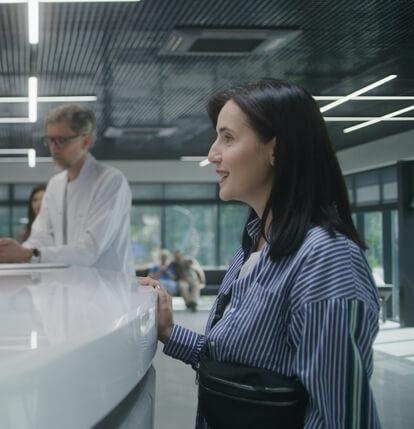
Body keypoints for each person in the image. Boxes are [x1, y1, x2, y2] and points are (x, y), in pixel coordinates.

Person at [141, 79, 380, 427]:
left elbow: (343, 418)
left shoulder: (325, 259)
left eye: (227, 137)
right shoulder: (254, 245)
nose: (212, 154)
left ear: (275, 150)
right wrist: (169, 332)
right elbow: (245, 373)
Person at [0, 104, 134, 276]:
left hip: (108, 294)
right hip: (68, 290)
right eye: (50, 140)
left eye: (61, 140)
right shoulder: (55, 185)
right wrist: (10, 253)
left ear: (85, 141)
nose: (53, 148)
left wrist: (27, 255)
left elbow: (89, 251)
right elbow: (40, 238)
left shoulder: (110, 181)